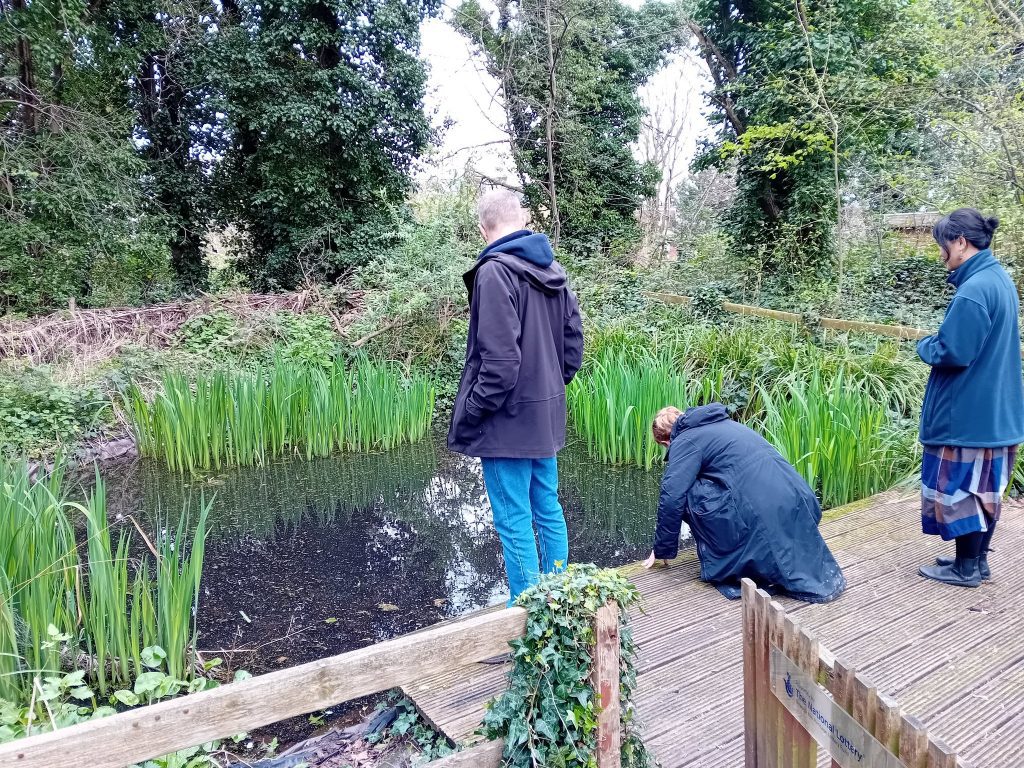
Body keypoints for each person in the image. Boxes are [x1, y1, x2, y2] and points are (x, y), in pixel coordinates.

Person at [448, 189, 584, 604]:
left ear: (481, 227)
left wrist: (473, 411)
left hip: (506, 423)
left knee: (514, 520)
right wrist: (544, 392)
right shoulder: (553, 271)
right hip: (543, 420)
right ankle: (559, 605)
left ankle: (527, 620)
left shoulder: (494, 273)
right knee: (547, 509)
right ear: (522, 220)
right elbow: (573, 348)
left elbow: (501, 363)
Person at [642, 403, 846, 603]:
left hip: (763, 510)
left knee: (687, 492)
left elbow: (671, 496)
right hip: (797, 499)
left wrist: (662, 549)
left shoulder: (685, 440)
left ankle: (735, 560)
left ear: (666, 440)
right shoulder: (725, 425)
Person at [917, 209, 1024, 588]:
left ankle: (965, 569)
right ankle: (976, 563)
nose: (941, 255)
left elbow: (953, 351)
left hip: (967, 414)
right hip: (995, 411)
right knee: (984, 492)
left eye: (943, 246)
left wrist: (925, 345)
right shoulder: (998, 280)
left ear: (960, 242)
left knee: (961, 490)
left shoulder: (975, 289)